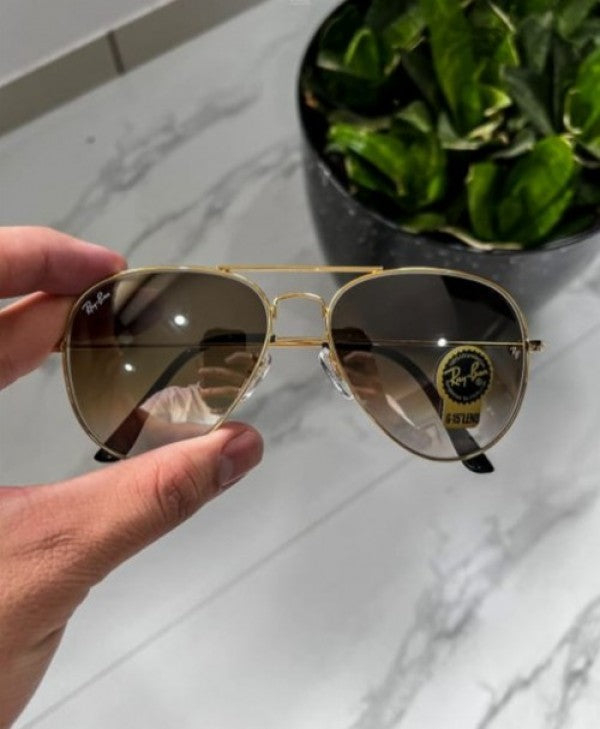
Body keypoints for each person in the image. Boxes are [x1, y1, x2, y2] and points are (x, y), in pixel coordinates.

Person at [0, 227, 264, 729]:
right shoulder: (177, 402)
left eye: (237, 363)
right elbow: (129, 430)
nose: (223, 369)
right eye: (215, 358)